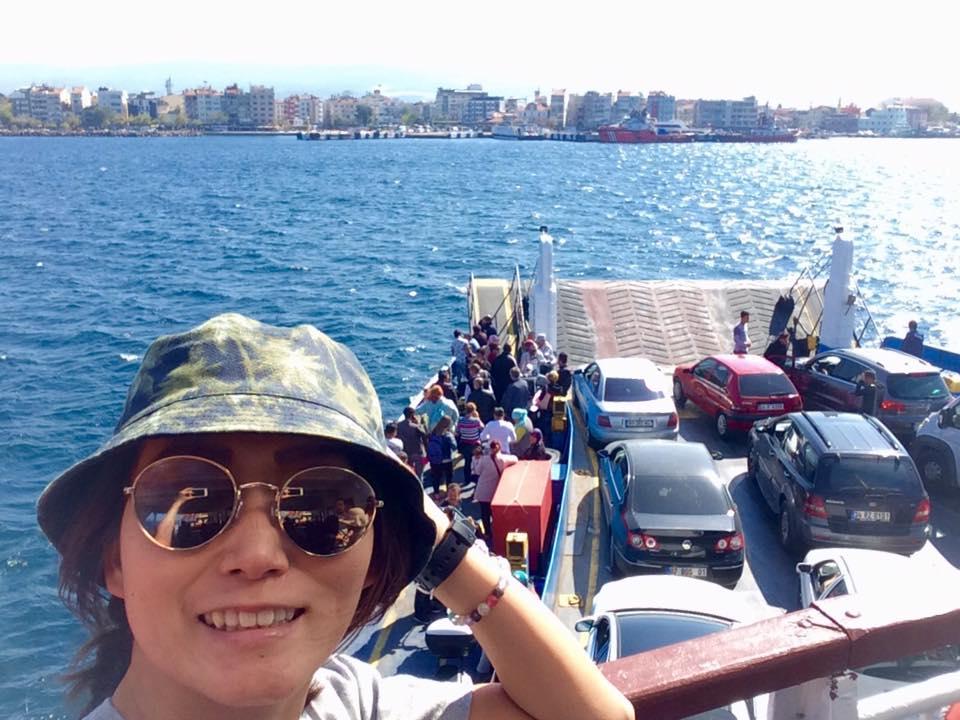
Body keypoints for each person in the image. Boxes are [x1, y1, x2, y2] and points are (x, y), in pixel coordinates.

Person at [36, 313, 633, 720]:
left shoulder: (352, 703)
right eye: (190, 503)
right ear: (113, 557)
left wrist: (431, 539)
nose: (257, 556)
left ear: (375, 555)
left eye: (323, 506)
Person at [472, 440, 518, 543]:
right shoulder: (503, 459)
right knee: (495, 514)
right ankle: (498, 532)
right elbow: (515, 458)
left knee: (485, 514)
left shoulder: (484, 459)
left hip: (483, 491)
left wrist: (476, 459)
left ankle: (488, 534)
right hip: (495, 492)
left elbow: (477, 471)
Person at [455, 402, 484, 485]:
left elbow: (457, 432)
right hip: (475, 444)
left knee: (467, 462)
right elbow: (482, 428)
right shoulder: (476, 421)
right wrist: (477, 417)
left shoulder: (461, 420)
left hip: (465, 444)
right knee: (477, 461)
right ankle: (476, 479)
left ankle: (467, 479)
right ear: (473, 410)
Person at [426, 415, 456, 495]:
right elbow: (454, 446)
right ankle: (448, 493)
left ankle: (436, 493)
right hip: (447, 460)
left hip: (435, 460)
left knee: (436, 477)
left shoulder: (432, 434)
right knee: (448, 477)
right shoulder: (448, 435)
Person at [397, 406, 428, 476]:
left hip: (405, 452)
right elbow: (425, 436)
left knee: (408, 472)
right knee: (419, 473)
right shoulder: (416, 426)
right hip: (417, 452)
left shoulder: (398, 425)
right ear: (412, 415)